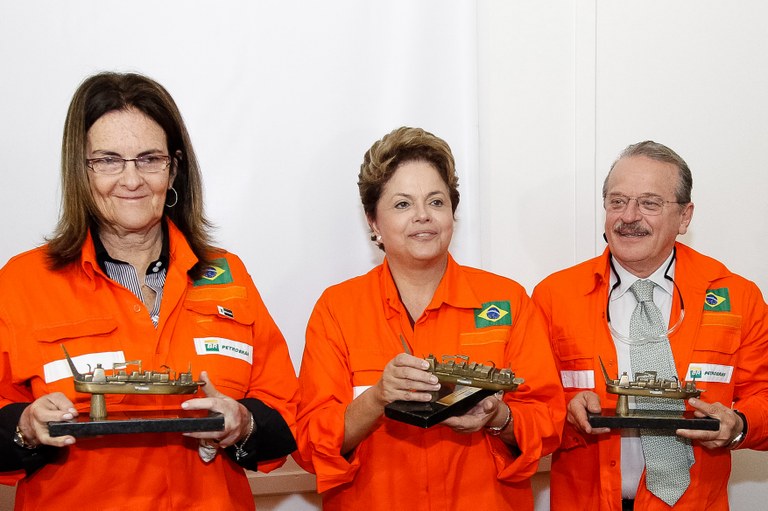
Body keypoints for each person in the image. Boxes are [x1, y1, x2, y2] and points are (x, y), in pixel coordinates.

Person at [0, 72, 298, 510]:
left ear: (174, 167)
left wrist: (244, 423)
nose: (131, 179)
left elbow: (286, 416)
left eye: (149, 158)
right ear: (79, 170)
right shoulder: (22, 282)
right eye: (107, 160)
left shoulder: (227, 276)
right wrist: (25, 427)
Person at [294, 126, 565, 510]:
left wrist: (498, 416)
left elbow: (549, 421)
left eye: (436, 202)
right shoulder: (337, 309)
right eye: (402, 204)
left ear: (452, 211)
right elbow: (309, 443)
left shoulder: (507, 302)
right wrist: (376, 400)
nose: (423, 216)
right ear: (373, 221)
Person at [533, 140, 768, 510]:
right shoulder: (553, 297)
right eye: (617, 201)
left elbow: (765, 395)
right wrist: (565, 411)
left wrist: (739, 423)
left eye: (649, 203)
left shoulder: (738, 298)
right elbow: (528, 404)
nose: (629, 216)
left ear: (685, 216)